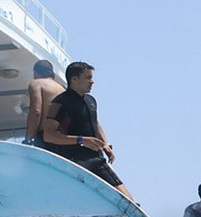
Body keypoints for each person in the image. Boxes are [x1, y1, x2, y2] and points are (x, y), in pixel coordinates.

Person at [41, 61, 135, 201]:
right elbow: (48, 135)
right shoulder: (60, 102)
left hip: (97, 159)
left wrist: (105, 144)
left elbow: (95, 123)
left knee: (128, 201)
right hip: (76, 162)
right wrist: (81, 140)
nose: (92, 81)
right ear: (74, 79)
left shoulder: (91, 100)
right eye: (88, 78)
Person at [24, 59, 61, 145]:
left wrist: (29, 139)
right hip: (60, 138)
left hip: (44, 137)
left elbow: (36, 111)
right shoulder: (62, 88)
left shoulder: (36, 84)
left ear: (35, 73)